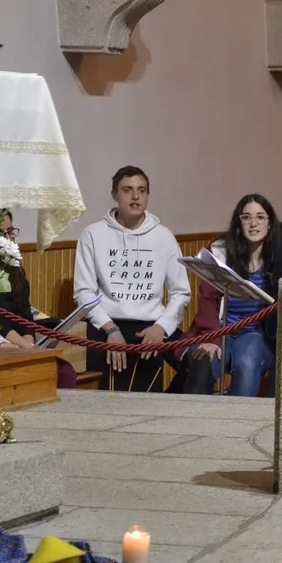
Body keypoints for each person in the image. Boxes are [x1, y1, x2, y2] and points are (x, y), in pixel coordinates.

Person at [73, 165, 191, 393]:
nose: (135, 197)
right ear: (114, 195)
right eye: (127, 190)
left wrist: (162, 327)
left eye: (141, 190)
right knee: (113, 393)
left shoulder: (164, 236)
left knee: (196, 365)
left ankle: (169, 408)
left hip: (152, 324)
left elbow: (181, 292)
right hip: (106, 324)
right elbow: (84, 292)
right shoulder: (93, 234)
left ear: (148, 195)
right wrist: (110, 330)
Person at [177, 194, 278, 397]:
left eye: (260, 217)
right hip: (220, 331)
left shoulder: (279, 255)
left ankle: (237, 416)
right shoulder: (219, 251)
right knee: (201, 357)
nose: (253, 223)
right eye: (246, 217)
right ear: (238, 222)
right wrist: (213, 338)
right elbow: (206, 300)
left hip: (258, 335)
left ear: (269, 223)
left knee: (247, 360)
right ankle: (195, 415)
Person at [0, 212, 77, 389]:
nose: (9, 237)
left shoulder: (15, 268)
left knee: (65, 371)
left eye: (11, 231)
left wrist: (30, 342)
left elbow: (24, 313)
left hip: (21, 344)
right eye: (1, 233)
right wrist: (27, 348)